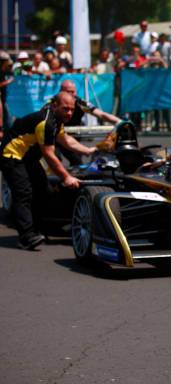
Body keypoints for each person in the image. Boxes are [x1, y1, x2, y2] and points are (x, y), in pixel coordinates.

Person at [0, 92, 96, 249]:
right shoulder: (46, 122)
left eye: (71, 109)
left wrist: (88, 151)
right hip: (11, 155)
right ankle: (26, 237)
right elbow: (49, 155)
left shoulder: (57, 121)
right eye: (65, 109)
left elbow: (66, 140)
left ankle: (40, 228)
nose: (69, 113)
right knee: (23, 193)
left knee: (44, 190)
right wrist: (66, 177)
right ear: (54, 105)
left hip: (27, 157)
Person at [44, 80, 120, 165]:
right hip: (54, 136)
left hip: (71, 137)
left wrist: (119, 122)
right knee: (55, 161)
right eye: (65, 108)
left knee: (77, 162)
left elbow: (101, 114)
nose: (71, 95)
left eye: (73, 92)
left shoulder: (80, 102)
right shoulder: (52, 104)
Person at [0, 51, 14, 139]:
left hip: (5, 99)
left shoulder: (6, 71)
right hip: (1, 100)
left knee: (9, 122)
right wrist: (8, 82)